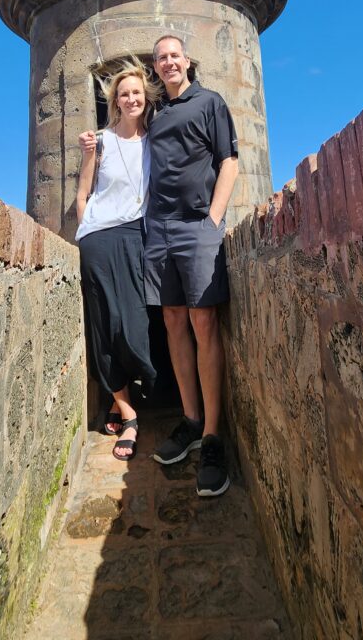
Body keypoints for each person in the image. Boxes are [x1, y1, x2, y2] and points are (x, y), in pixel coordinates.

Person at [145, 35, 238, 497]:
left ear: (187, 61)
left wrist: (213, 222)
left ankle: (213, 437)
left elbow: (230, 163)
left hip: (196, 228)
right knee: (173, 320)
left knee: (204, 322)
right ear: (156, 67)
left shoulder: (210, 102)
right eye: (161, 58)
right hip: (158, 231)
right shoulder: (157, 114)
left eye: (174, 56)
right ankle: (191, 418)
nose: (168, 63)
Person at [76, 59, 159, 461]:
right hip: (98, 237)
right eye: (123, 94)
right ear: (114, 101)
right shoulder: (100, 141)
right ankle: (128, 413)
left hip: (133, 235)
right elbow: (83, 191)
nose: (131, 99)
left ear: (146, 98)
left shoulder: (155, 140)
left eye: (137, 93)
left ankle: (119, 394)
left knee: (133, 321)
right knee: (105, 321)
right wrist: (85, 231)